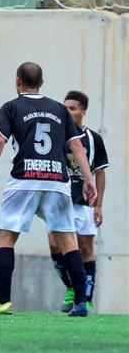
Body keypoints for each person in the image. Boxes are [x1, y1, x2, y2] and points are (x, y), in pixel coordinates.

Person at [0, 62, 96, 317]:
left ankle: (2, 302)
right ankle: (80, 303)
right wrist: (88, 179)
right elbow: (76, 146)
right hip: (57, 179)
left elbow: (0, 140)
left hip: (24, 178)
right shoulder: (59, 108)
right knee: (68, 240)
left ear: (17, 81)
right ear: (42, 83)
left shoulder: (11, 107)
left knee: (6, 239)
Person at [47, 91, 109, 312]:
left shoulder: (94, 139)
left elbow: (100, 173)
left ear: (83, 111)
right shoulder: (56, 135)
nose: (68, 112)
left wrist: (99, 204)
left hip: (84, 203)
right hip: (59, 199)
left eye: (72, 108)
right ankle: (72, 286)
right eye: (65, 108)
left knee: (85, 248)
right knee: (55, 246)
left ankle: (87, 298)